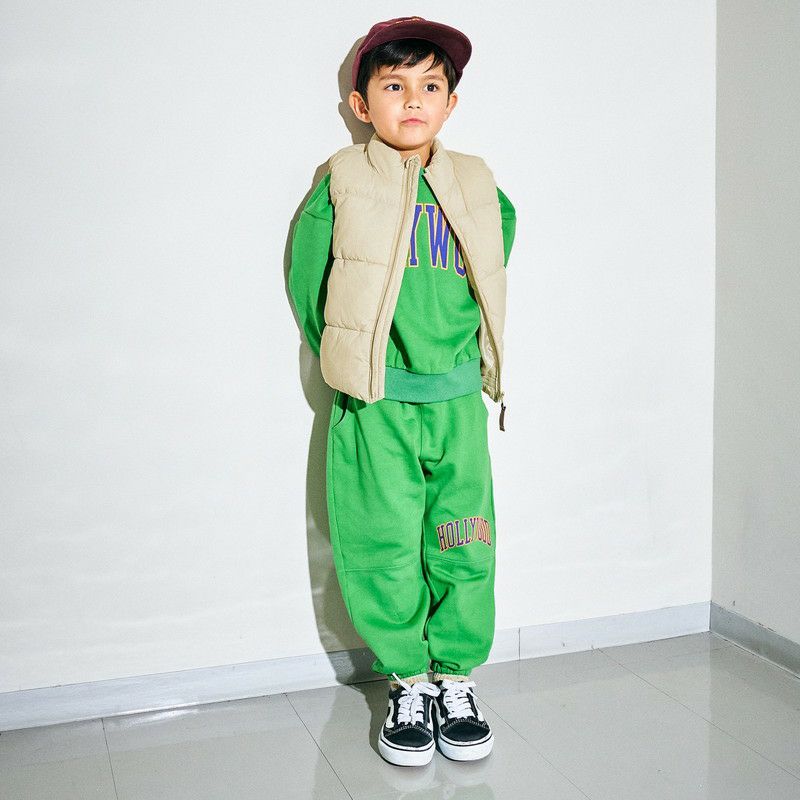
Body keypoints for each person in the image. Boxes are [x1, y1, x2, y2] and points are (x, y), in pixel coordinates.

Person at [288, 16, 516, 767]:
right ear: (362, 104)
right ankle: (408, 682)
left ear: (450, 103)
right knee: (382, 544)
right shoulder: (343, 180)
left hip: (456, 402)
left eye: (430, 85)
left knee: (464, 540)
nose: (412, 100)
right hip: (376, 403)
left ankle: (456, 676)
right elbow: (308, 286)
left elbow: (498, 250)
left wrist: (466, 352)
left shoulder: (477, 182)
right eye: (393, 86)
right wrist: (354, 361)